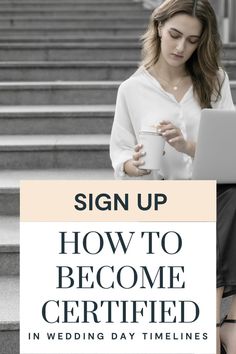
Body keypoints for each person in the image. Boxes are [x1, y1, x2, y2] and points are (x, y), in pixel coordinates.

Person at [109, 0, 236, 353]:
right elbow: (120, 157)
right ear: (158, 28)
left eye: (193, 40)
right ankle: (221, 324)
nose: (181, 48)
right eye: (175, 35)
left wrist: (188, 145)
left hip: (212, 191)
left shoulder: (215, 80)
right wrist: (136, 163)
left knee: (231, 194)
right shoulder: (132, 90)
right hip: (163, 197)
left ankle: (222, 321)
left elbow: (230, 147)